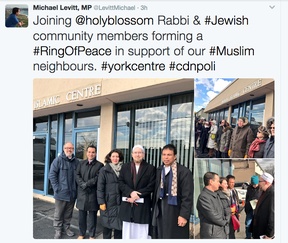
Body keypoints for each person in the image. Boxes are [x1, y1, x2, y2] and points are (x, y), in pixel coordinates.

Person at [152, 144, 193, 239]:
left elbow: (187, 196)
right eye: (164, 154)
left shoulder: (183, 172)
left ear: (175, 156)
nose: (166, 157)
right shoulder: (159, 170)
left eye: (169, 155)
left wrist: (184, 215)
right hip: (160, 211)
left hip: (176, 211)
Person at [118, 145, 156, 239]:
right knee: (128, 233)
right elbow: (121, 182)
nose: (137, 155)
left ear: (143, 154)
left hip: (143, 206)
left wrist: (138, 194)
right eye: (135, 152)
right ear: (132, 154)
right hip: (128, 204)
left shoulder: (150, 168)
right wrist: (131, 192)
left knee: (141, 233)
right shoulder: (125, 167)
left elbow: (152, 185)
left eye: (139, 152)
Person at [48, 142, 79, 239]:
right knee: (59, 213)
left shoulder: (77, 162)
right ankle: (58, 230)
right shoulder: (58, 160)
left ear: (73, 150)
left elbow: (79, 177)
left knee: (68, 213)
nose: (69, 150)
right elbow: (52, 175)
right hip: (61, 193)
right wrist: (57, 188)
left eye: (71, 148)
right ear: (64, 149)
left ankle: (66, 228)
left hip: (72, 193)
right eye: (67, 148)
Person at [75, 145, 104, 239]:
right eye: (89, 152)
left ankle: (92, 235)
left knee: (92, 217)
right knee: (81, 217)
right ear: (86, 152)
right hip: (82, 193)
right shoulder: (81, 163)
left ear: (95, 153)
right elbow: (77, 175)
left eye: (93, 152)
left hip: (93, 194)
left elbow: (98, 178)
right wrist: (82, 184)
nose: (91, 154)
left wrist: (87, 184)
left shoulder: (100, 165)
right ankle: (82, 233)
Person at [97, 149, 124, 239]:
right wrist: (101, 202)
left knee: (119, 227)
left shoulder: (124, 169)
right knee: (107, 226)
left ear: (120, 158)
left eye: (117, 156)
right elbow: (100, 188)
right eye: (113, 156)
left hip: (120, 202)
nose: (115, 158)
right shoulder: (104, 170)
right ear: (109, 157)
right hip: (108, 202)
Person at [196, 172, 229, 239]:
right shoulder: (204, 197)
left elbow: (225, 207)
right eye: (217, 181)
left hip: (221, 232)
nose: (219, 184)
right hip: (213, 235)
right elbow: (213, 215)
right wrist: (225, 222)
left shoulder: (216, 194)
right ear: (211, 182)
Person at [250, 173, 274, 239]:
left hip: (264, 233)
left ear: (266, 182)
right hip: (258, 229)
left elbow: (272, 216)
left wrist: (269, 234)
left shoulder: (272, 193)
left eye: (259, 181)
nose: (258, 184)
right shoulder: (264, 191)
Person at [226, 174, 240, 239]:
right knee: (229, 232)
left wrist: (238, 211)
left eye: (233, 182)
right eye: (231, 182)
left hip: (234, 214)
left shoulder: (234, 191)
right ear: (227, 183)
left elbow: (237, 202)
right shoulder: (224, 191)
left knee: (233, 230)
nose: (232, 184)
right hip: (228, 215)